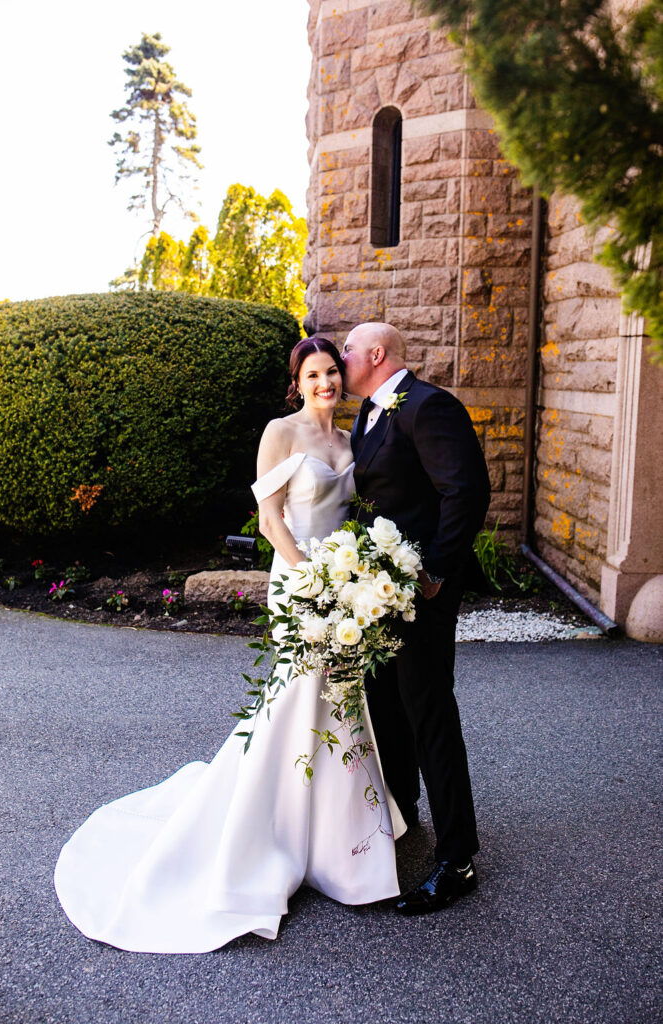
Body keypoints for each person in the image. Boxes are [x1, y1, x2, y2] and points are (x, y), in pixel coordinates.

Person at [53, 336, 406, 954]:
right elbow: (270, 520)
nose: (325, 382)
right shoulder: (282, 431)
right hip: (300, 582)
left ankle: (340, 836)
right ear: (297, 383)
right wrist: (313, 579)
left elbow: (352, 518)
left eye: (331, 373)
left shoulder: (351, 442)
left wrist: (356, 579)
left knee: (340, 700)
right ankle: (269, 829)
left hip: (343, 587)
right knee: (302, 694)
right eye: (314, 375)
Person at [341, 321, 491, 915]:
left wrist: (432, 574)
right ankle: (402, 818)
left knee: (429, 714)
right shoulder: (369, 414)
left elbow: (467, 492)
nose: (340, 357)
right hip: (378, 593)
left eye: (347, 350)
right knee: (387, 709)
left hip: (420, 592)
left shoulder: (429, 407)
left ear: (376, 355)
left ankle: (458, 859)